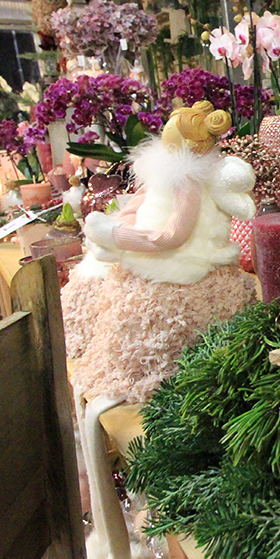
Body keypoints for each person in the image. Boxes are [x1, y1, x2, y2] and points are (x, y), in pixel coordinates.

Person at [63, 100, 257, 407]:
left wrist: (117, 236)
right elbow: (134, 206)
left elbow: (172, 237)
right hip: (144, 249)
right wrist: (119, 231)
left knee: (137, 303)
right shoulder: (162, 171)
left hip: (184, 264)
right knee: (93, 277)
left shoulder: (188, 181)